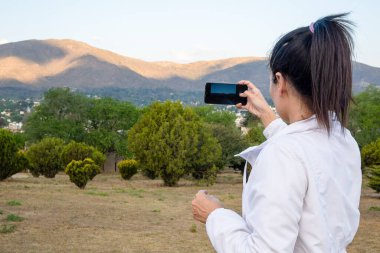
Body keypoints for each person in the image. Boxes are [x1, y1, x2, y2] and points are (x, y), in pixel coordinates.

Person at [191, 13, 362, 253]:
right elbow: (308, 151)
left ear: (280, 82)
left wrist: (215, 215)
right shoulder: (343, 139)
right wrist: (266, 116)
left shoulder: (283, 154)